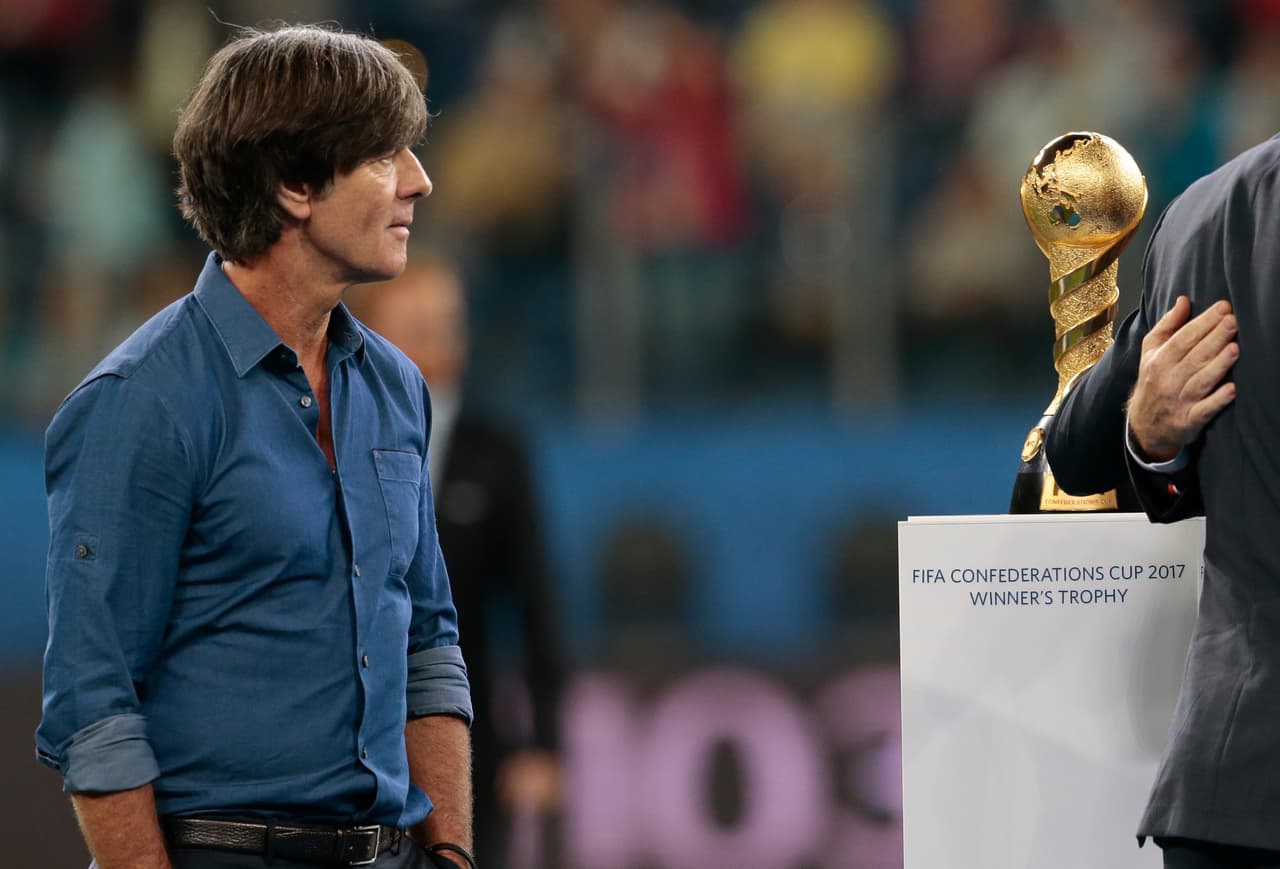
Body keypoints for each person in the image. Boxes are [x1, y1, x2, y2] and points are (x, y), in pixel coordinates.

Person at [35, 24, 477, 869]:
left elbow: (429, 644)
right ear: (295, 184)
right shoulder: (140, 401)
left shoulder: (396, 387)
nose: (420, 182)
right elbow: (93, 703)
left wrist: (450, 852)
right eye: (385, 156)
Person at [1050, 134, 1280, 869]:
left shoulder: (1205, 215)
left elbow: (1075, 445)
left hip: (1237, 795)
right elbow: (1080, 452)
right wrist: (1147, 438)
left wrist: (1148, 440)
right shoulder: (1206, 217)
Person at [354, 255, 564, 868]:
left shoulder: (498, 452)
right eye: (416, 323)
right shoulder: (327, 433)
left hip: (469, 744)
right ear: (369, 326)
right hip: (350, 742)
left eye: (446, 323)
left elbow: (534, 603)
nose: (437, 340)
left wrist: (544, 742)